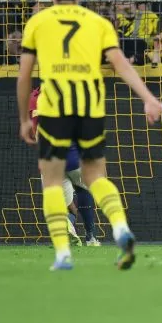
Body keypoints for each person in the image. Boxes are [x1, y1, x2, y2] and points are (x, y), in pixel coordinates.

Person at [17, 0, 162, 271]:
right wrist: (148, 98)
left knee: (53, 182)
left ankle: (62, 254)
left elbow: (24, 75)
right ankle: (120, 227)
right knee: (96, 176)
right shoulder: (99, 23)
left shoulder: (38, 22)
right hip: (91, 105)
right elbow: (121, 64)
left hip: (55, 105)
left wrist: (24, 119)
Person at [29, 87, 100, 247]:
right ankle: (91, 237)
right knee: (84, 190)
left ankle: (67, 223)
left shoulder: (34, 97)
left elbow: (36, 130)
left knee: (61, 202)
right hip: (74, 157)